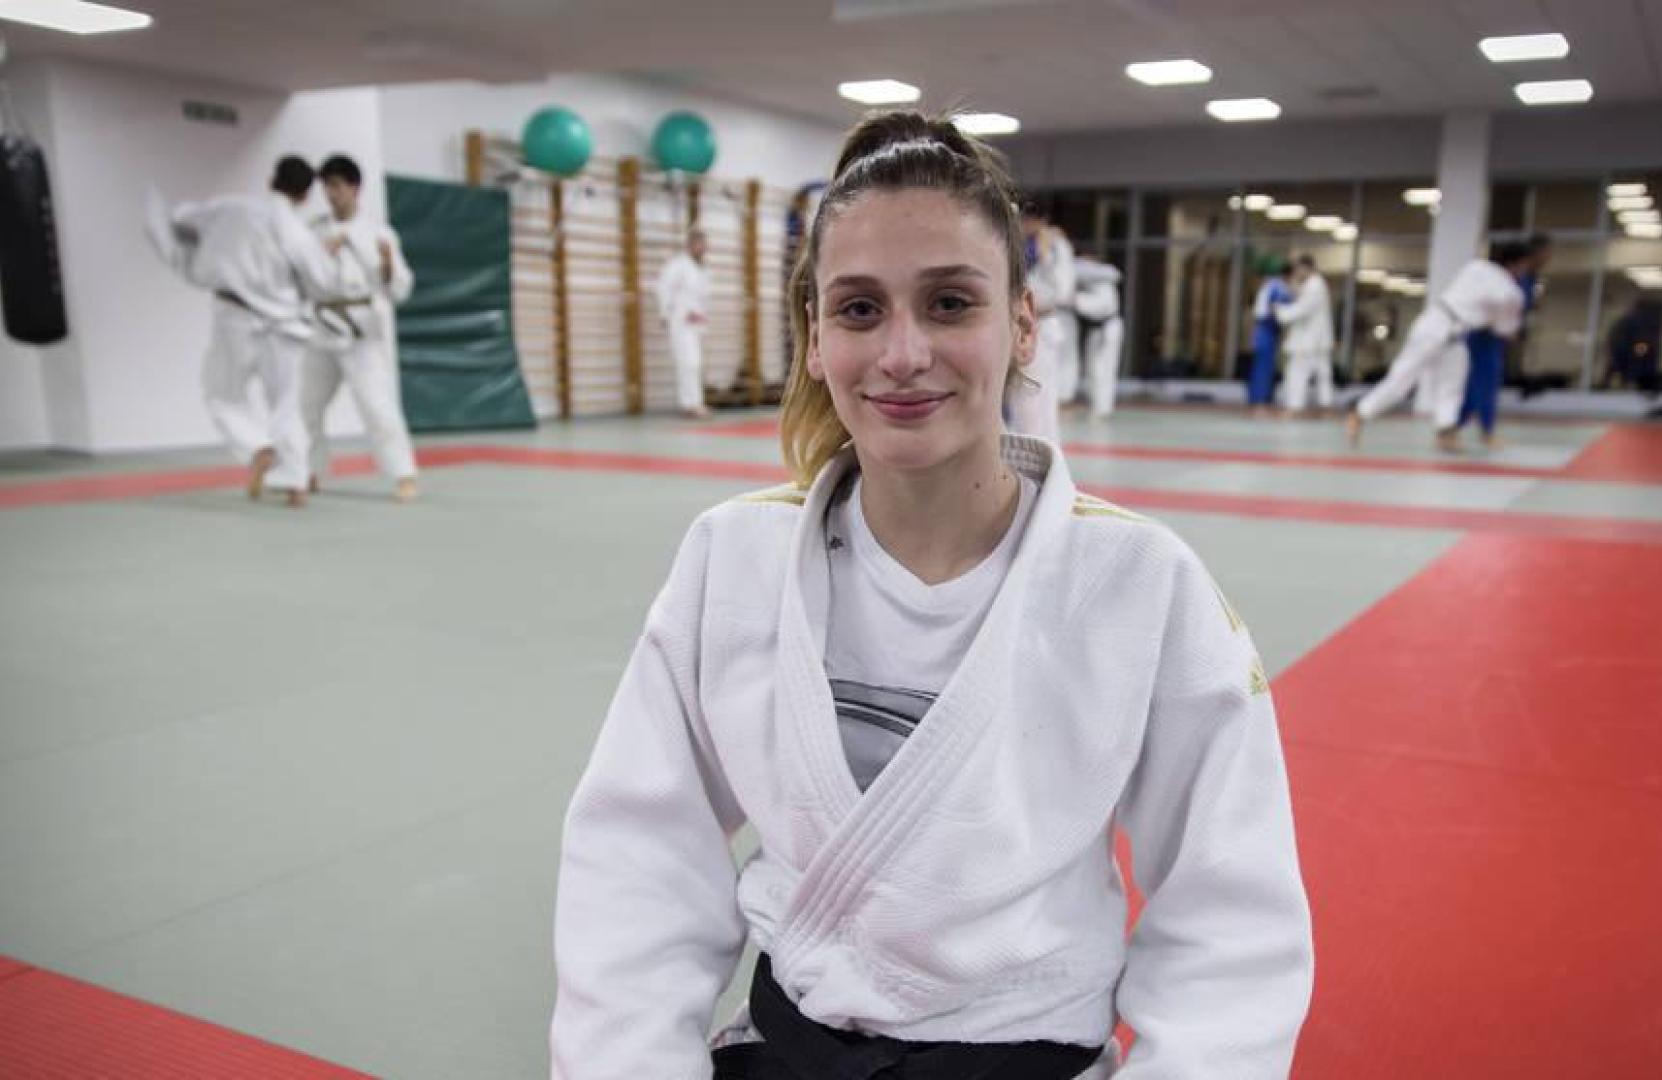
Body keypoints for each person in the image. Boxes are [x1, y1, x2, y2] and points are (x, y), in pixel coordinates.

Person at [550, 110, 1313, 1080]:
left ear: (1023, 323)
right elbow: (637, 857)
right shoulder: (731, 559)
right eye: (860, 309)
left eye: (950, 303)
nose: (902, 353)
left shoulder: (1141, 586)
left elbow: (1229, 919)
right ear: (816, 339)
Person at [145, 156, 345, 506]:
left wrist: (207, 245)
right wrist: (325, 255)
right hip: (284, 328)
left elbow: (178, 218)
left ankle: (257, 447)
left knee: (221, 393)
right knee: (284, 405)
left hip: (235, 317)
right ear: (306, 195)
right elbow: (324, 283)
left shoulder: (232, 207)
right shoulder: (298, 233)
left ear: (272, 180)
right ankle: (295, 481)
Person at [301, 154, 420, 502]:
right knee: (306, 404)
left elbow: (400, 287)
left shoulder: (379, 233)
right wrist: (322, 255)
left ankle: (403, 473)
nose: (330, 193)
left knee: (376, 403)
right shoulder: (314, 230)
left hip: (360, 331)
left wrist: (385, 265)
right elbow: (302, 278)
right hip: (322, 326)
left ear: (355, 188)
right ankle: (309, 470)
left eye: (336, 186)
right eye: (326, 187)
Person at [1346, 239, 1535, 452]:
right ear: (1517, 263)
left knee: (1453, 384)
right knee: (1403, 379)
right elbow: (1505, 330)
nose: (1525, 271)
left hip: (1452, 332)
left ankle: (1446, 433)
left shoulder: (1475, 267)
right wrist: (1515, 330)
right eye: (1525, 265)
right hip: (1438, 326)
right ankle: (1359, 413)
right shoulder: (1510, 292)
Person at [1456, 234, 1550, 447]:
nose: (1548, 258)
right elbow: (1495, 307)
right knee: (1484, 382)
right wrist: (1507, 327)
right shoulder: (1502, 278)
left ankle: (1458, 428)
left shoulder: (1528, 279)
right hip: (1484, 333)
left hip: (1498, 335)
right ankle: (1481, 431)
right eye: (1545, 253)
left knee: (1480, 384)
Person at [1010, 201, 1074, 442]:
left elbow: (1062, 291)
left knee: (1038, 395)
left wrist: (1045, 255)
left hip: (1042, 326)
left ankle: (1041, 448)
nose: (1025, 224)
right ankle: (1025, 445)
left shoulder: (1056, 246)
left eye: (1029, 219)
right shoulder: (1017, 243)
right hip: (1016, 323)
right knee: (1020, 398)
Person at [658, 227, 714, 419]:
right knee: (687, 363)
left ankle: (695, 402)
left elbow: (703, 297)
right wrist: (665, 313)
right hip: (680, 321)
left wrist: (703, 316)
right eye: (700, 244)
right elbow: (663, 288)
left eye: (705, 244)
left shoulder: (703, 269)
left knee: (695, 363)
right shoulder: (677, 266)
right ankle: (689, 404)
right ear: (691, 245)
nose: (704, 248)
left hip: (695, 323)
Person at [1275, 254, 1335, 415]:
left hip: (1309, 340)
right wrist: (1294, 285)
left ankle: (1295, 407)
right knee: (1323, 374)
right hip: (1316, 340)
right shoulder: (1314, 284)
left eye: (1298, 269)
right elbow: (1301, 298)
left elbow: (1303, 309)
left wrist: (1281, 312)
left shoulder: (1315, 285)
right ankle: (1325, 406)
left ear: (1305, 268)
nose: (1296, 272)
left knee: (1297, 372)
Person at [1074, 255, 1125, 420]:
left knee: (1103, 368)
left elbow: (1098, 306)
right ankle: (1096, 404)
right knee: (1092, 368)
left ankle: (1102, 408)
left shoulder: (1104, 280)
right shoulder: (1090, 280)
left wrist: (1074, 299)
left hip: (1108, 327)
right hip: (1095, 328)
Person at [1246, 263, 1289, 411]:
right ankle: (1261, 399)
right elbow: (1278, 306)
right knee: (1264, 366)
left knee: (1261, 365)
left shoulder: (1266, 287)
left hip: (1263, 327)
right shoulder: (1277, 286)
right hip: (1268, 328)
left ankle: (1257, 398)